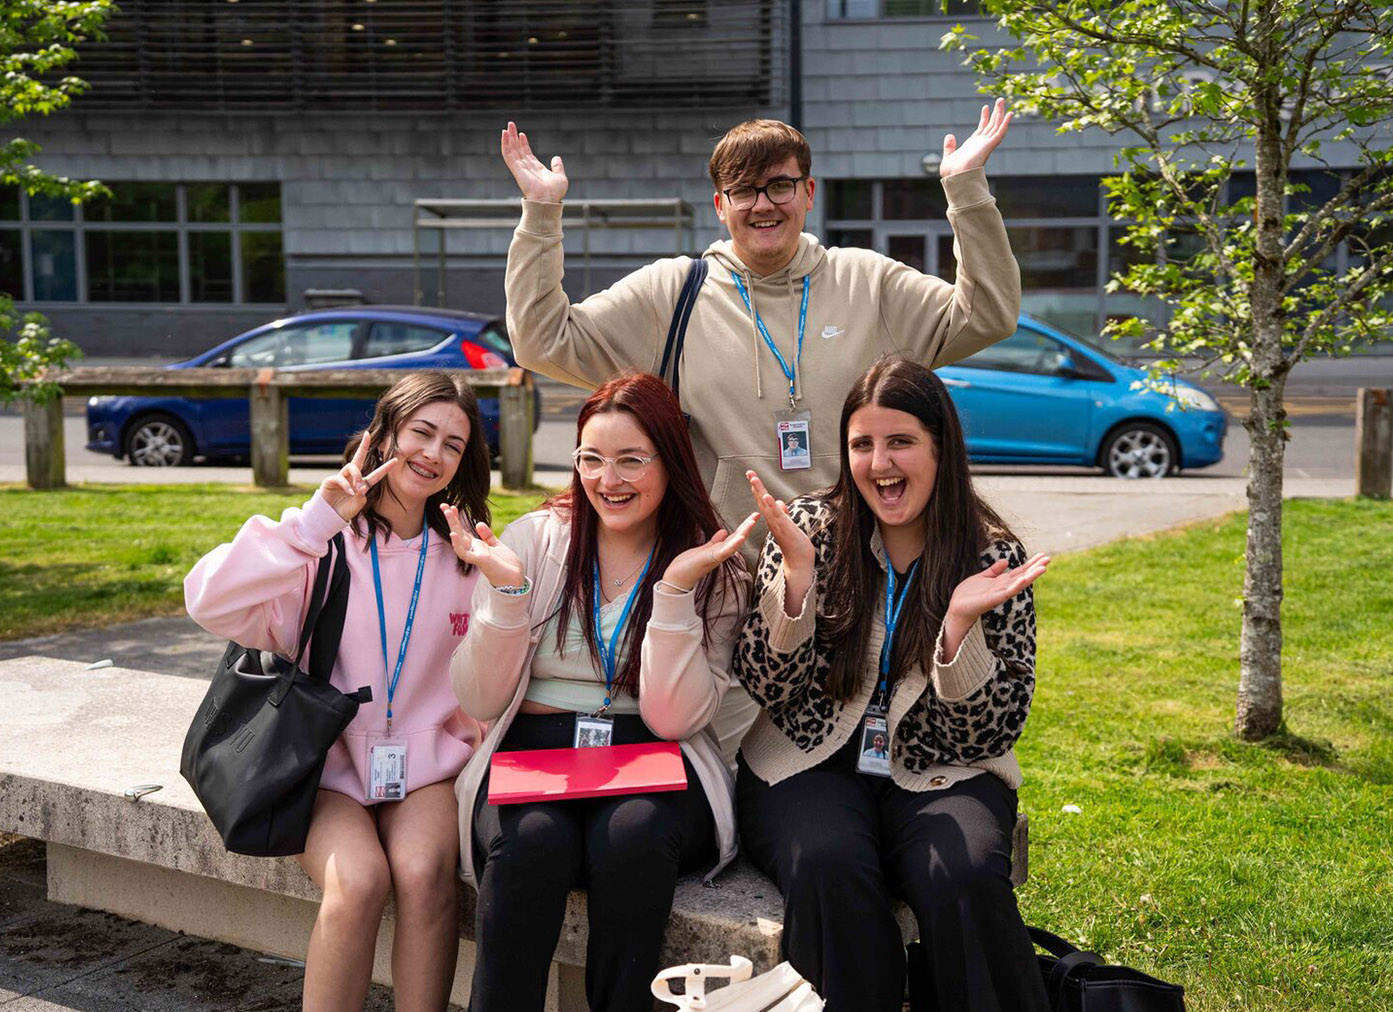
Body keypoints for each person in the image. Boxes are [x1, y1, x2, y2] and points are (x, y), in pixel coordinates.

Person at [499, 102, 1020, 544]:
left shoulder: (868, 280)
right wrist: (541, 213)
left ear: (809, 192)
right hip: (725, 579)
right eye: (744, 191)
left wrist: (967, 191)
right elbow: (541, 341)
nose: (762, 205)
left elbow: (986, 316)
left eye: (779, 186)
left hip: (859, 575)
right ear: (720, 206)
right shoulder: (673, 291)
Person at [732, 356, 1052, 1012]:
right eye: (862, 444)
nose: (880, 463)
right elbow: (766, 685)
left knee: (960, 876)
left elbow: (993, 729)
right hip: (806, 764)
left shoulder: (992, 556)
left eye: (900, 441)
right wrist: (794, 585)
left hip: (942, 770)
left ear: (941, 448)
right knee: (827, 864)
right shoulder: (807, 531)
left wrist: (958, 629)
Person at [185, 371, 493, 1012]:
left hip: (426, 772)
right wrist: (313, 523)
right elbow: (206, 599)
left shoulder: (465, 554)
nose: (433, 454)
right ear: (384, 435)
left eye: (453, 445)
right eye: (422, 433)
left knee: (425, 874)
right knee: (357, 882)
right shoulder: (320, 547)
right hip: (320, 766)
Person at [449, 372, 754, 1012]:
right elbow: (479, 701)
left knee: (633, 839)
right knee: (530, 844)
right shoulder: (536, 540)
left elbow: (673, 718)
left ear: (672, 460)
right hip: (534, 753)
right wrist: (506, 597)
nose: (606, 479)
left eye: (630, 460)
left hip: (655, 755)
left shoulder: (711, 562)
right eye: (591, 458)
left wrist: (672, 594)